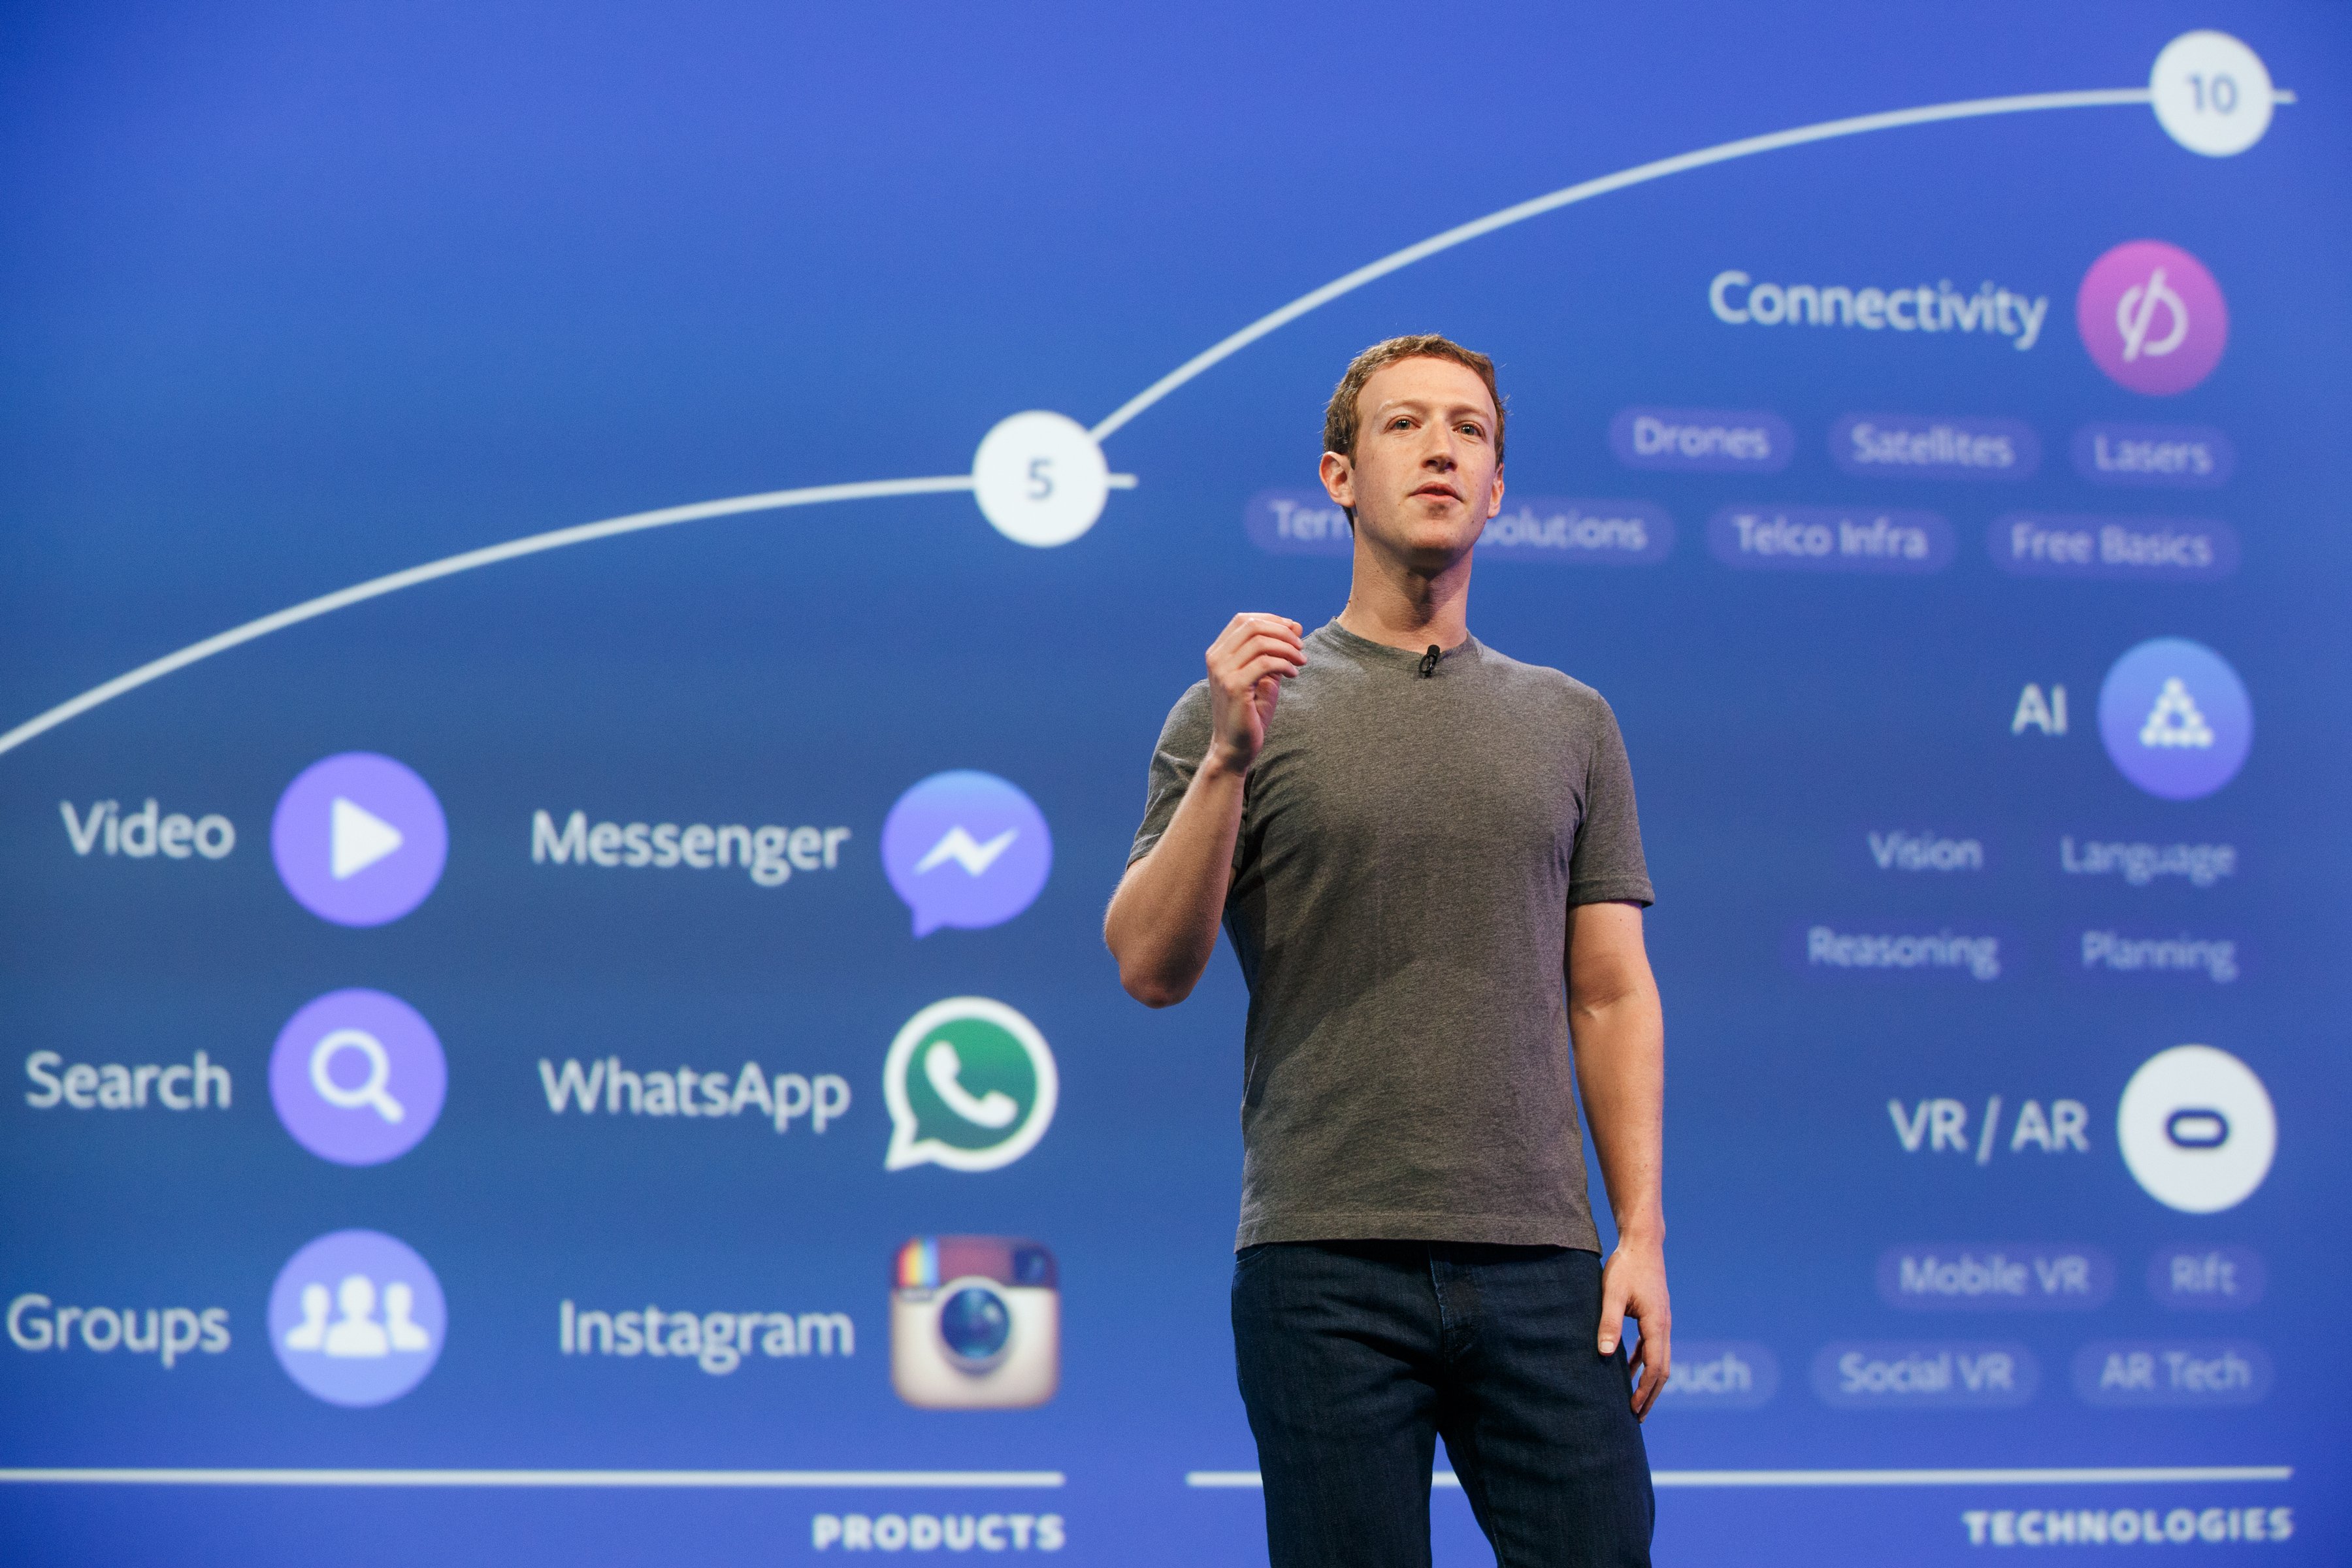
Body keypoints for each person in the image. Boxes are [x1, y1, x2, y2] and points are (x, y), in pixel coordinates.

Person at [1105, 335, 1669, 1567]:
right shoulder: (1242, 706)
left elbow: (1612, 994)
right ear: (1340, 477)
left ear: (1498, 489)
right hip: (1323, 1265)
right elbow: (1149, 966)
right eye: (1404, 424)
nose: (1441, 450)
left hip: (1545, 1266)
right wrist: (1229, 762)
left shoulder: (1573, 721)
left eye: (1470, 430)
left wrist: (1642, 1237)